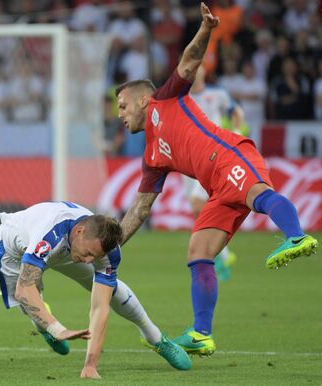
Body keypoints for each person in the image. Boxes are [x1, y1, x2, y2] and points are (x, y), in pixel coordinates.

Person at [115, 3, 318, 357]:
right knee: (198, 251)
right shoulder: (151, 156)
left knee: (259, 194)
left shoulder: (166, 99)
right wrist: (112, 246)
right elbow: (139, 209)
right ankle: (202, 333)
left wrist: (206, 29)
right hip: (216, 190)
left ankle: (296, 236)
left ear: (144, 100)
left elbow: (190, 60)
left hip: (229, 156)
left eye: (122, 105)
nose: (120, 114)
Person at [0, 201, 192, 379]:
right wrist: (58, 329)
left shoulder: (105, 250)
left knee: (111, 289)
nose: (89, 261)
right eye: (88, 253)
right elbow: (24, 290)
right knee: (26, 301)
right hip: (13, 248)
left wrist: (90, 364)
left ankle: (155, 337)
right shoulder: (49, 235)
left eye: (94, 257)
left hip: (66, 250)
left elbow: (99, 308)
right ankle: (44, 329)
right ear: (79, 231)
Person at [185, 64, 246, 281]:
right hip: (190, 161)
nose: (194, 71)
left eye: (197, 67)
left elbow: (236, 111)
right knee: (199, 209)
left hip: (214, 157)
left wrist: (237, 132)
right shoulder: (181, 99)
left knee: (196, 203)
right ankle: (223, 253)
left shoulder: (217, 94)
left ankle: (220, 252)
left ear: (203, 71)